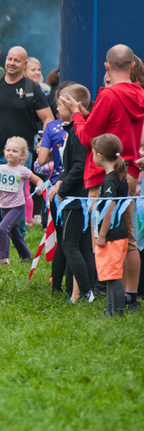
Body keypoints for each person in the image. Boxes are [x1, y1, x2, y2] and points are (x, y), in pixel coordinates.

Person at [59, 44, 144, 312]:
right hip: (130, 172)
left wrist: (76, 116)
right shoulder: (140, 93)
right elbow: (110, 126)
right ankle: (130, 296)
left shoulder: (108, 95)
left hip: (103, 175)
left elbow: (87, 138)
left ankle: (111, 298)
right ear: (132, 66)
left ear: (106, 67)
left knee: (105, 237)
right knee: (129, 239)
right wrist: (86, 114)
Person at [0, 46, 53, 218]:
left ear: (24, 64)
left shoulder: (31, 88)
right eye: (9, 59)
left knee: (15, 197)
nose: (11, 63)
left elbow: (48, 117)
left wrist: (43, 142)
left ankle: (16, 233)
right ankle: (2, 212)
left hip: (20, 155)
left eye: (16, 60)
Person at [47, 83, 94, 302]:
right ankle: (76, 292)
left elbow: (77, 167)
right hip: (77, 195)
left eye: (59, 104)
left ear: (71, 105)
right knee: (83, 246)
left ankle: (86, 292)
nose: (56, 109)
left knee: (70, 245)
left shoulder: (77, 131)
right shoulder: (74, 128)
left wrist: (62, 189)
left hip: (76, 197)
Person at [0, 137, 42, 265]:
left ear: (23, 155)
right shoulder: (0, 168)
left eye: (15, 151)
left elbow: (37, 180)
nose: (10, 153)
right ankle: (26, 257)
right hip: (4, 207)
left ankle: (3, 258)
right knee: (15, 234)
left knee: (3, 227)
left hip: (17, 207)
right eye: (8, 150)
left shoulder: (23, 170)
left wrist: (39, 186)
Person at [92, 134, 130, 317]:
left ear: (99, 156)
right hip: (117, 233)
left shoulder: (110, 180)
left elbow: (109, 208)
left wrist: (101, 235)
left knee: (113, 276)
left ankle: (118, 313)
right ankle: (109, 310)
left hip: (112, 234)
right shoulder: (118, 175)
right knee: (109, 274)